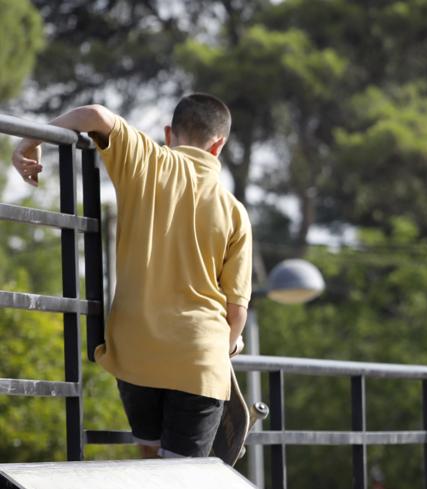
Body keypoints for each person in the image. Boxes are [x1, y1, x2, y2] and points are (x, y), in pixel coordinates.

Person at [11, 94, 252, 459]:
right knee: (181, 486)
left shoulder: (147, 159)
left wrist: (28, 143)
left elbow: (93, 115)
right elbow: (236, 313)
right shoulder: (234, 212)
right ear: (219, 145)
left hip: (136, 354)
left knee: (150, 468)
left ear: (169, 133)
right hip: (198, 360)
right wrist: (231, 345)